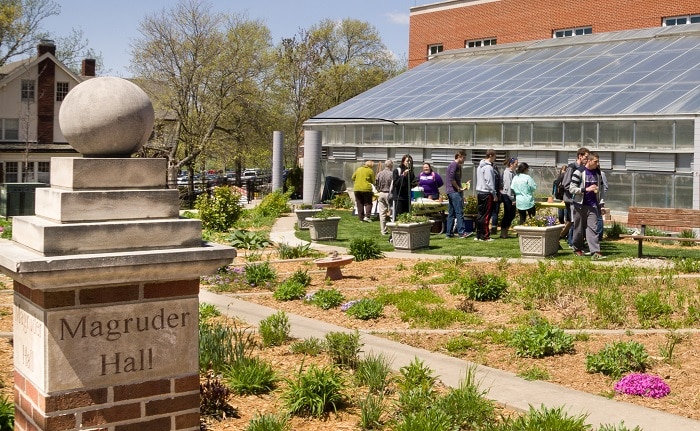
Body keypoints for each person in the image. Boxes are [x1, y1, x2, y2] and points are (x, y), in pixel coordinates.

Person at [569, 152, 606, 260]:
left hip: (593, 205)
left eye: (598, 161)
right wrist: (585, 189)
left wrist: (601, 204)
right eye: (595, 161)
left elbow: (602, 189)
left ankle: (595, 252)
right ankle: (577, 248)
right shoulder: (579, 172)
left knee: (592, 228)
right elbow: (571, 188)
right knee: (579, 229)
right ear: (589, 161)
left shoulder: (598, 173)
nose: (597, 163)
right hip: (579, 205)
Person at [562, 147, 590, 246]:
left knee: (575, 221)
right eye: (586, 157)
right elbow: (566, 184)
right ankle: (570, 241)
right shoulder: (571, 167)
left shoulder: (583, 169)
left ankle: (572, 241)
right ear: (580, 156)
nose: (587, 159)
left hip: (578, 199)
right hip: (571, 199)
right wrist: (577, 192)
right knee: (572, 221)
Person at [475, 149, 498, 241]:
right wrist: (494, 194)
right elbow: (489, 182)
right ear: (491, 156)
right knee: (486, 215)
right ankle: (485, 235)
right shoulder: (488, 168)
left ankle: (478, 234)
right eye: (495, 156)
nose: (495, 158)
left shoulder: (479, 166)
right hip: (486, 193)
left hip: (480, 192)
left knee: (480, 214)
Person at [445, 151, 469, 238]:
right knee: (459, 212)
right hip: (454, 192)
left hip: (451, 191)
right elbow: (451, 179)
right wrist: (458, 188)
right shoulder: (454, 165)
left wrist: (463, 186)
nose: (464, 160)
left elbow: (455, 179)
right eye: (463, 158)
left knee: (451, 213)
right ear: (459, 156)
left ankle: (449, 233)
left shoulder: (457, 166)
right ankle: (461, 232)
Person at [392, 154, 416, 219]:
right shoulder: (397, 170)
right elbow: (396, 184)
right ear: (403, 162)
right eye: (407, 161)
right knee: (398, 217)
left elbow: (412, 184)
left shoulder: (411, 172)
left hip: (407, 198)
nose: (409, 163)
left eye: (411, 161)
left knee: (407, 217)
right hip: (399, 198)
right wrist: (403, 175)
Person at [499, 157, 518, 238]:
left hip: (511, 195)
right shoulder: (507, 173)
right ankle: (503, 232)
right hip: (507, 195)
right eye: (516, 164)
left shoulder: (513, 172)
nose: (517, 166)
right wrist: (512, 198)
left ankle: (506, 230)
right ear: (511, 164)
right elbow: (508, 186)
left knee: (512, 214)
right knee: (508, 214)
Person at [375, 160, 394, 235]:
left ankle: (383, 230)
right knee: (392, 212)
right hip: (389, 194)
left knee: (382, 213)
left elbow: (376, 183)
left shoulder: (379, 173)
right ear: (391, 165)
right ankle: (393, 229)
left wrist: (378, 189)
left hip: (381, 193)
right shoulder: (392, 174)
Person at [490, 159, 502, 236]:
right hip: (496, 194)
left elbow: (492, 184)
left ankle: (491, 228)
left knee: (491, 212)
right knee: (495, 213)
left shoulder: (492, 172)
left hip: (492, 194)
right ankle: (494, 228)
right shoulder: (497, 172)